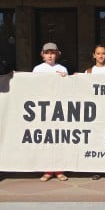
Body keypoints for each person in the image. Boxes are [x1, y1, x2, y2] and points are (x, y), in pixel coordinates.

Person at [33, 42, 68, 181]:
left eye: (52, 53)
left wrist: (66, 79)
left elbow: (68, 88)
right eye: (47, 52)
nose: (50, 55)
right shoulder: (37, 69)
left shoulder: (62, 68)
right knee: (46, 140)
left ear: (57, 55)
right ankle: (47, 171)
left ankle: (59, 171)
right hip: (43, 109)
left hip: (59, 109)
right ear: (42, 54)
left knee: (59, 140)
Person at [84, 44, 105, 180]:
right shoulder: (88, 72)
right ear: (94, 55)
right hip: (95, 113)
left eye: (103, 53)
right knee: (96, 141)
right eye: (98, 53)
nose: (100, 56)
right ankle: (96, 169)